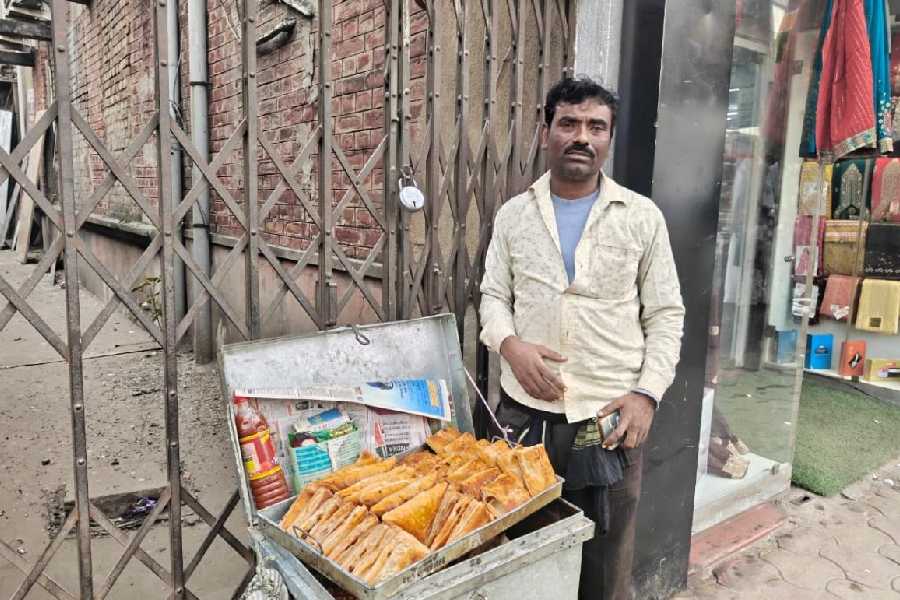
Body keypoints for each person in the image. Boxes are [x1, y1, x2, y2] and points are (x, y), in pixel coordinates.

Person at [478, 76, 685, 600]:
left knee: (605, 566)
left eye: (596, 127)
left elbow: (666, 314)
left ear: (609, 137)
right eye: (568, 123)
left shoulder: (641, 217)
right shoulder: (514, 215)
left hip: (610, 420)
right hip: (525, 418)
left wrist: (647, 395)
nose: (581, 137)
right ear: (546, 130)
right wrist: (510, 346)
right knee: (522, 555)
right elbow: (492, 298)